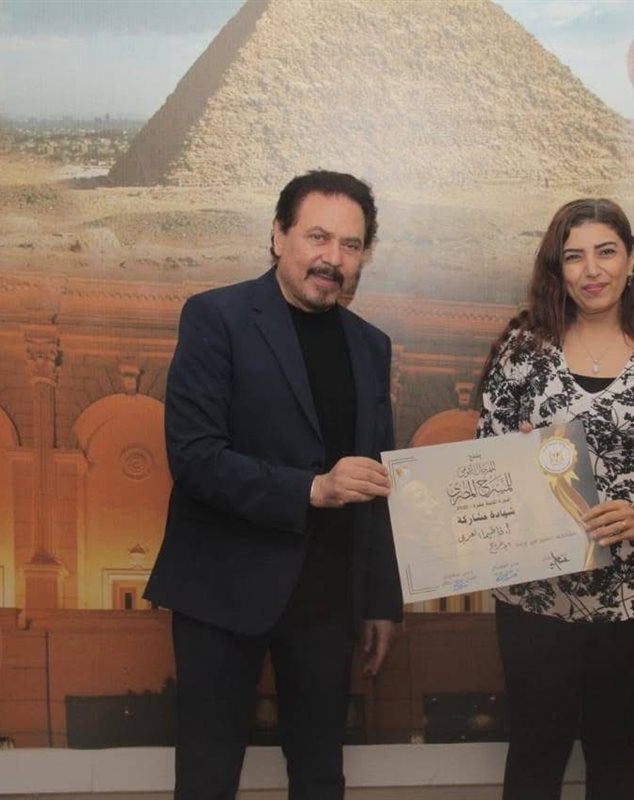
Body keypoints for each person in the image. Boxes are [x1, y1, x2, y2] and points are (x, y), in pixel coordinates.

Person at [144, 170, 402, 800]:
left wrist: (380, 600)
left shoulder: (371, 346)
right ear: (279, 235)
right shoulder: (215, 317)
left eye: (350, 245)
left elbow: (378, 479)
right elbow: (196, 457)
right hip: (221, 592)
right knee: (207, 779)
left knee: (320, 777)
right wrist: (312, 489)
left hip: (327, 602)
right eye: (318, 237)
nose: (333, 258)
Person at [475, 198, 634, 800]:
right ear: (557, 269)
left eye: (606, 252)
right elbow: (483, 461)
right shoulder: (523, 351)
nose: (592, 269)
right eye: (574, 256)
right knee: (534, 756)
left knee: (616, 760)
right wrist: (515, 461)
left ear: (631, 259)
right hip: (536, 596)